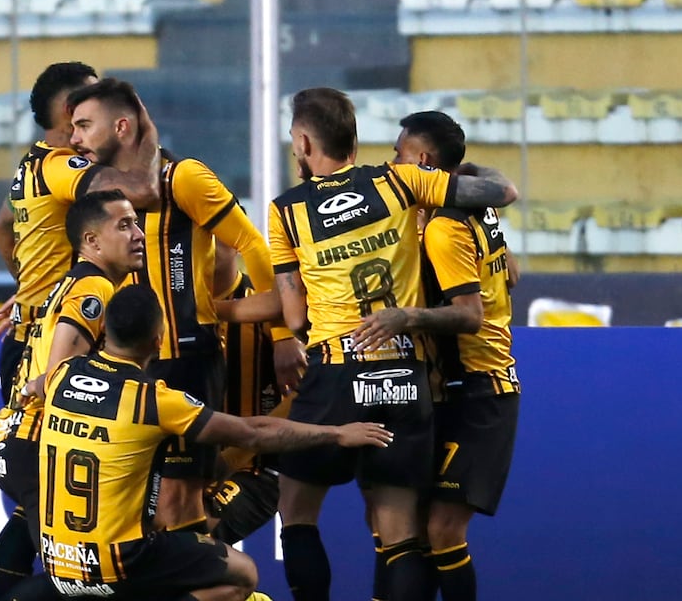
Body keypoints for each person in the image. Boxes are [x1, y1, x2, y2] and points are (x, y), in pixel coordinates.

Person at [216, 87, 517, 601]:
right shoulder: (402, 181)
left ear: (306, 142)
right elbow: (499, 194)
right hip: (404, 374)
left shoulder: (287, 210)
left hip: (335, 372)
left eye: (294, 140)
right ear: (356, 139)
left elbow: (294, 314)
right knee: (400, 529)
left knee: (297, 511)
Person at [38, 284, 394, 601]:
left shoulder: (61, 374)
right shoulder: (152, 400)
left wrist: (26, 389)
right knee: (242, 576)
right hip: (121, 562)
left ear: (104, 331)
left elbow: (35, 385)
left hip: (57, 562)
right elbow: (253, 432)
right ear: (159, 339)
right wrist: (337, 433)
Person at [67, 77, 277, 534]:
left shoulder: (184, 178)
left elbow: (251, 245)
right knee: (139, 505)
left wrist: (280, 336)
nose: (74, 138)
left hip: (186, 359)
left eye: (84, 125)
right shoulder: (96, 194)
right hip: (126, 367)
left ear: (122, 126)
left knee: (179, 507)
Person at [0, 63, 161, 601]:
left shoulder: (30, 165)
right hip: (53, 349)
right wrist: (144, 130)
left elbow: (1, 227)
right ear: (70, 113)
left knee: (39, 511)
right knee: (67, 524)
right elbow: (143, 191)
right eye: (89, 101)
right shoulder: (65, 166)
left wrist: (35, 286)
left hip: (37, 331)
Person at [386, 111, 521, 601]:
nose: (391, 163)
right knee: (416, 528)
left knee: (442, 528)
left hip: (481, 392)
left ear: (422, 161)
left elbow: (469, 316)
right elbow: (512, 275)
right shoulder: (480, 211)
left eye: (399, 154)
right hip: (457, 390)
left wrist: (408, 318)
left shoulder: (443, 229)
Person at [0, 189, 146, 601]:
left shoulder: (75, 280)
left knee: (29, 542)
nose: (139, 234)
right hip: (38, 443)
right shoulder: (94, 287)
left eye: (137, 222)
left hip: (17, 440)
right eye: (124, 225)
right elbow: (61, 377)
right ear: (91, 242)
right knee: (76, 572)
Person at [206, 244, 297, 545]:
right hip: (189, 467)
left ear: (234, 243)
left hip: (255, 467)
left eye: (211, 235)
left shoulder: (268, 305)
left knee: (198, 531)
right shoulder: (172, 307)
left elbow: (305, 391)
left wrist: (235, 455)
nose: (200, 246)